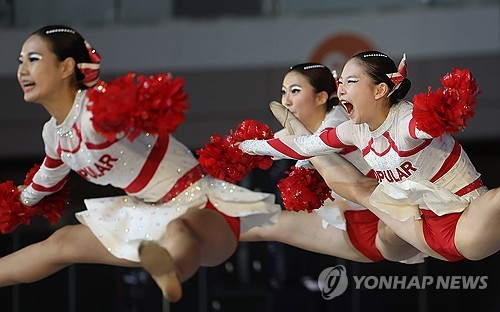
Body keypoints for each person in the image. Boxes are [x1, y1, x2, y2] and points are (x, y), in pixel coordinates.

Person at [0, 24, 281, 302]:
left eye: (33, 60)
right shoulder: (54, 133)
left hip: (201, 204)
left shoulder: (99, 110)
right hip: (147, 211)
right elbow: (49, 174)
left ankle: (169, 273)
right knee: (62, 243)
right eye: (20, 61)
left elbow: (133, 113)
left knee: (179, 229)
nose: (22, 70)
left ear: (66, 67)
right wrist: (20, 202)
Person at [240, 51, 500, 262]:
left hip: (464, 228)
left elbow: (421, 126)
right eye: (340, 82)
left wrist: (443, 112)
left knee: (495, 200)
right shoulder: (355, 130)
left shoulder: (407, 122)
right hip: (420, 233)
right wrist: (248, 148)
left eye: (350, 82)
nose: (340, 90)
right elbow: (305, 146)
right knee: (360, 188)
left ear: (379, 91)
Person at [240, 62, 420, 263]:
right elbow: (278, 145)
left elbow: (302, 145)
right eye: (284, 92)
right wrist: (233, 153)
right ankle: (205, 222)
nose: (286, 101)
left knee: (402, 226)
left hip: (384, 221)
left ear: (321, 97)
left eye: (295, 91)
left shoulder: (338, 121)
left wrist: (250, 148)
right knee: (263, 225)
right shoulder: (299, 131)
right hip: (351, 228)